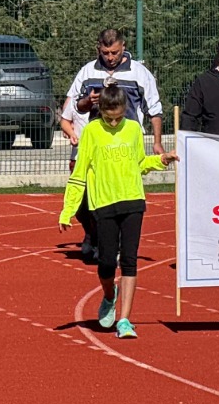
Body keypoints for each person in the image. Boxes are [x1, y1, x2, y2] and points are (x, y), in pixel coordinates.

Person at [58, 85, 176, 339]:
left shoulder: (133, 129)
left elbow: (140, 163)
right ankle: (109, 294)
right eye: (108, 117)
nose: (113, 121)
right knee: (106, 263)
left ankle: (124, 320)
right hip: (103, 204)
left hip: (133, 200)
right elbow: (79, 174)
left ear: (126, 111)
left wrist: (162, 159)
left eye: (118, 116)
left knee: (130, 261)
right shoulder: (91, 131)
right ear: (101, 111)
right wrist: (68, 210)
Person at [59, 28, 166, 262]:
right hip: (95, 143)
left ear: (123, 47)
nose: (110, 57)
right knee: (85, 201)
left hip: (125, 145)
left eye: (114, 52)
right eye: (106, 52)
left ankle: (111, 246)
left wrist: (157, 142)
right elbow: (74, 107)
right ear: (99, 48)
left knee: (118, 198)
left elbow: (154, 110)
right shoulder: (87, 71)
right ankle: (93, 235)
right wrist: (88, 101)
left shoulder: (140, 73)